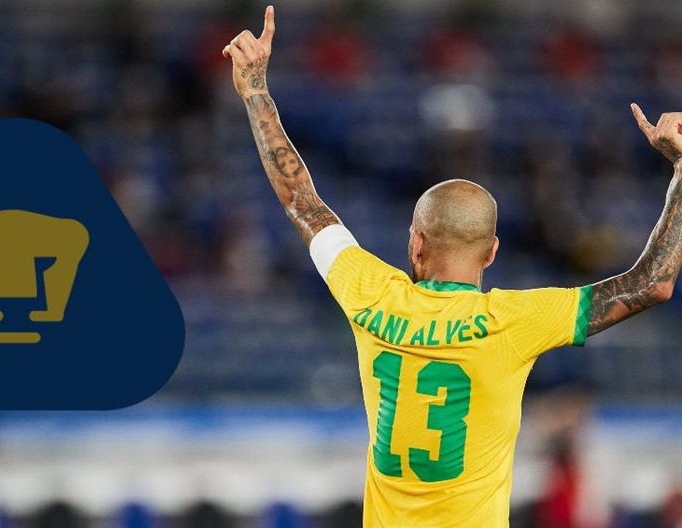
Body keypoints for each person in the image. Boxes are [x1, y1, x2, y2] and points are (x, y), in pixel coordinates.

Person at [222, 6, 682, 527]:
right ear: (492, 252)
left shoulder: (371, 294)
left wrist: (255, 90)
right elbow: (652, 284)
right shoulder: (512, 322)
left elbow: (301, 202)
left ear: (415, 243)